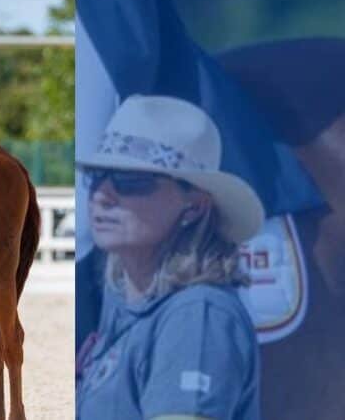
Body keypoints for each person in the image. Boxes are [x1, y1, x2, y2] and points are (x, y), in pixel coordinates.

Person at [75, 95, 263, 420]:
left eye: (131, 181)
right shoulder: (131, 307)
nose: (103, 195)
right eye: (97, 176)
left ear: (195, 206)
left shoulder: (197, 316)